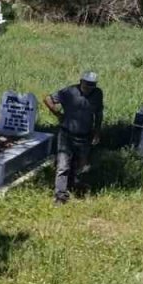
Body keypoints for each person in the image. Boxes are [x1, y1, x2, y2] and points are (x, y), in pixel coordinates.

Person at [43, 71, 104, 205]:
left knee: (81, 165)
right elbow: (48, 99)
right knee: (63, 165)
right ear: (81, 81)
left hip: (85, 135)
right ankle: (60, 196)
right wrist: (58, 114)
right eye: (87, 84)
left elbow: (99, 113)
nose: (89, 87)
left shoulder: (98, 94)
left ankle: (75, 188)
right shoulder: (69, 92)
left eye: (92, 85)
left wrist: (97, 131)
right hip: (66, 134)